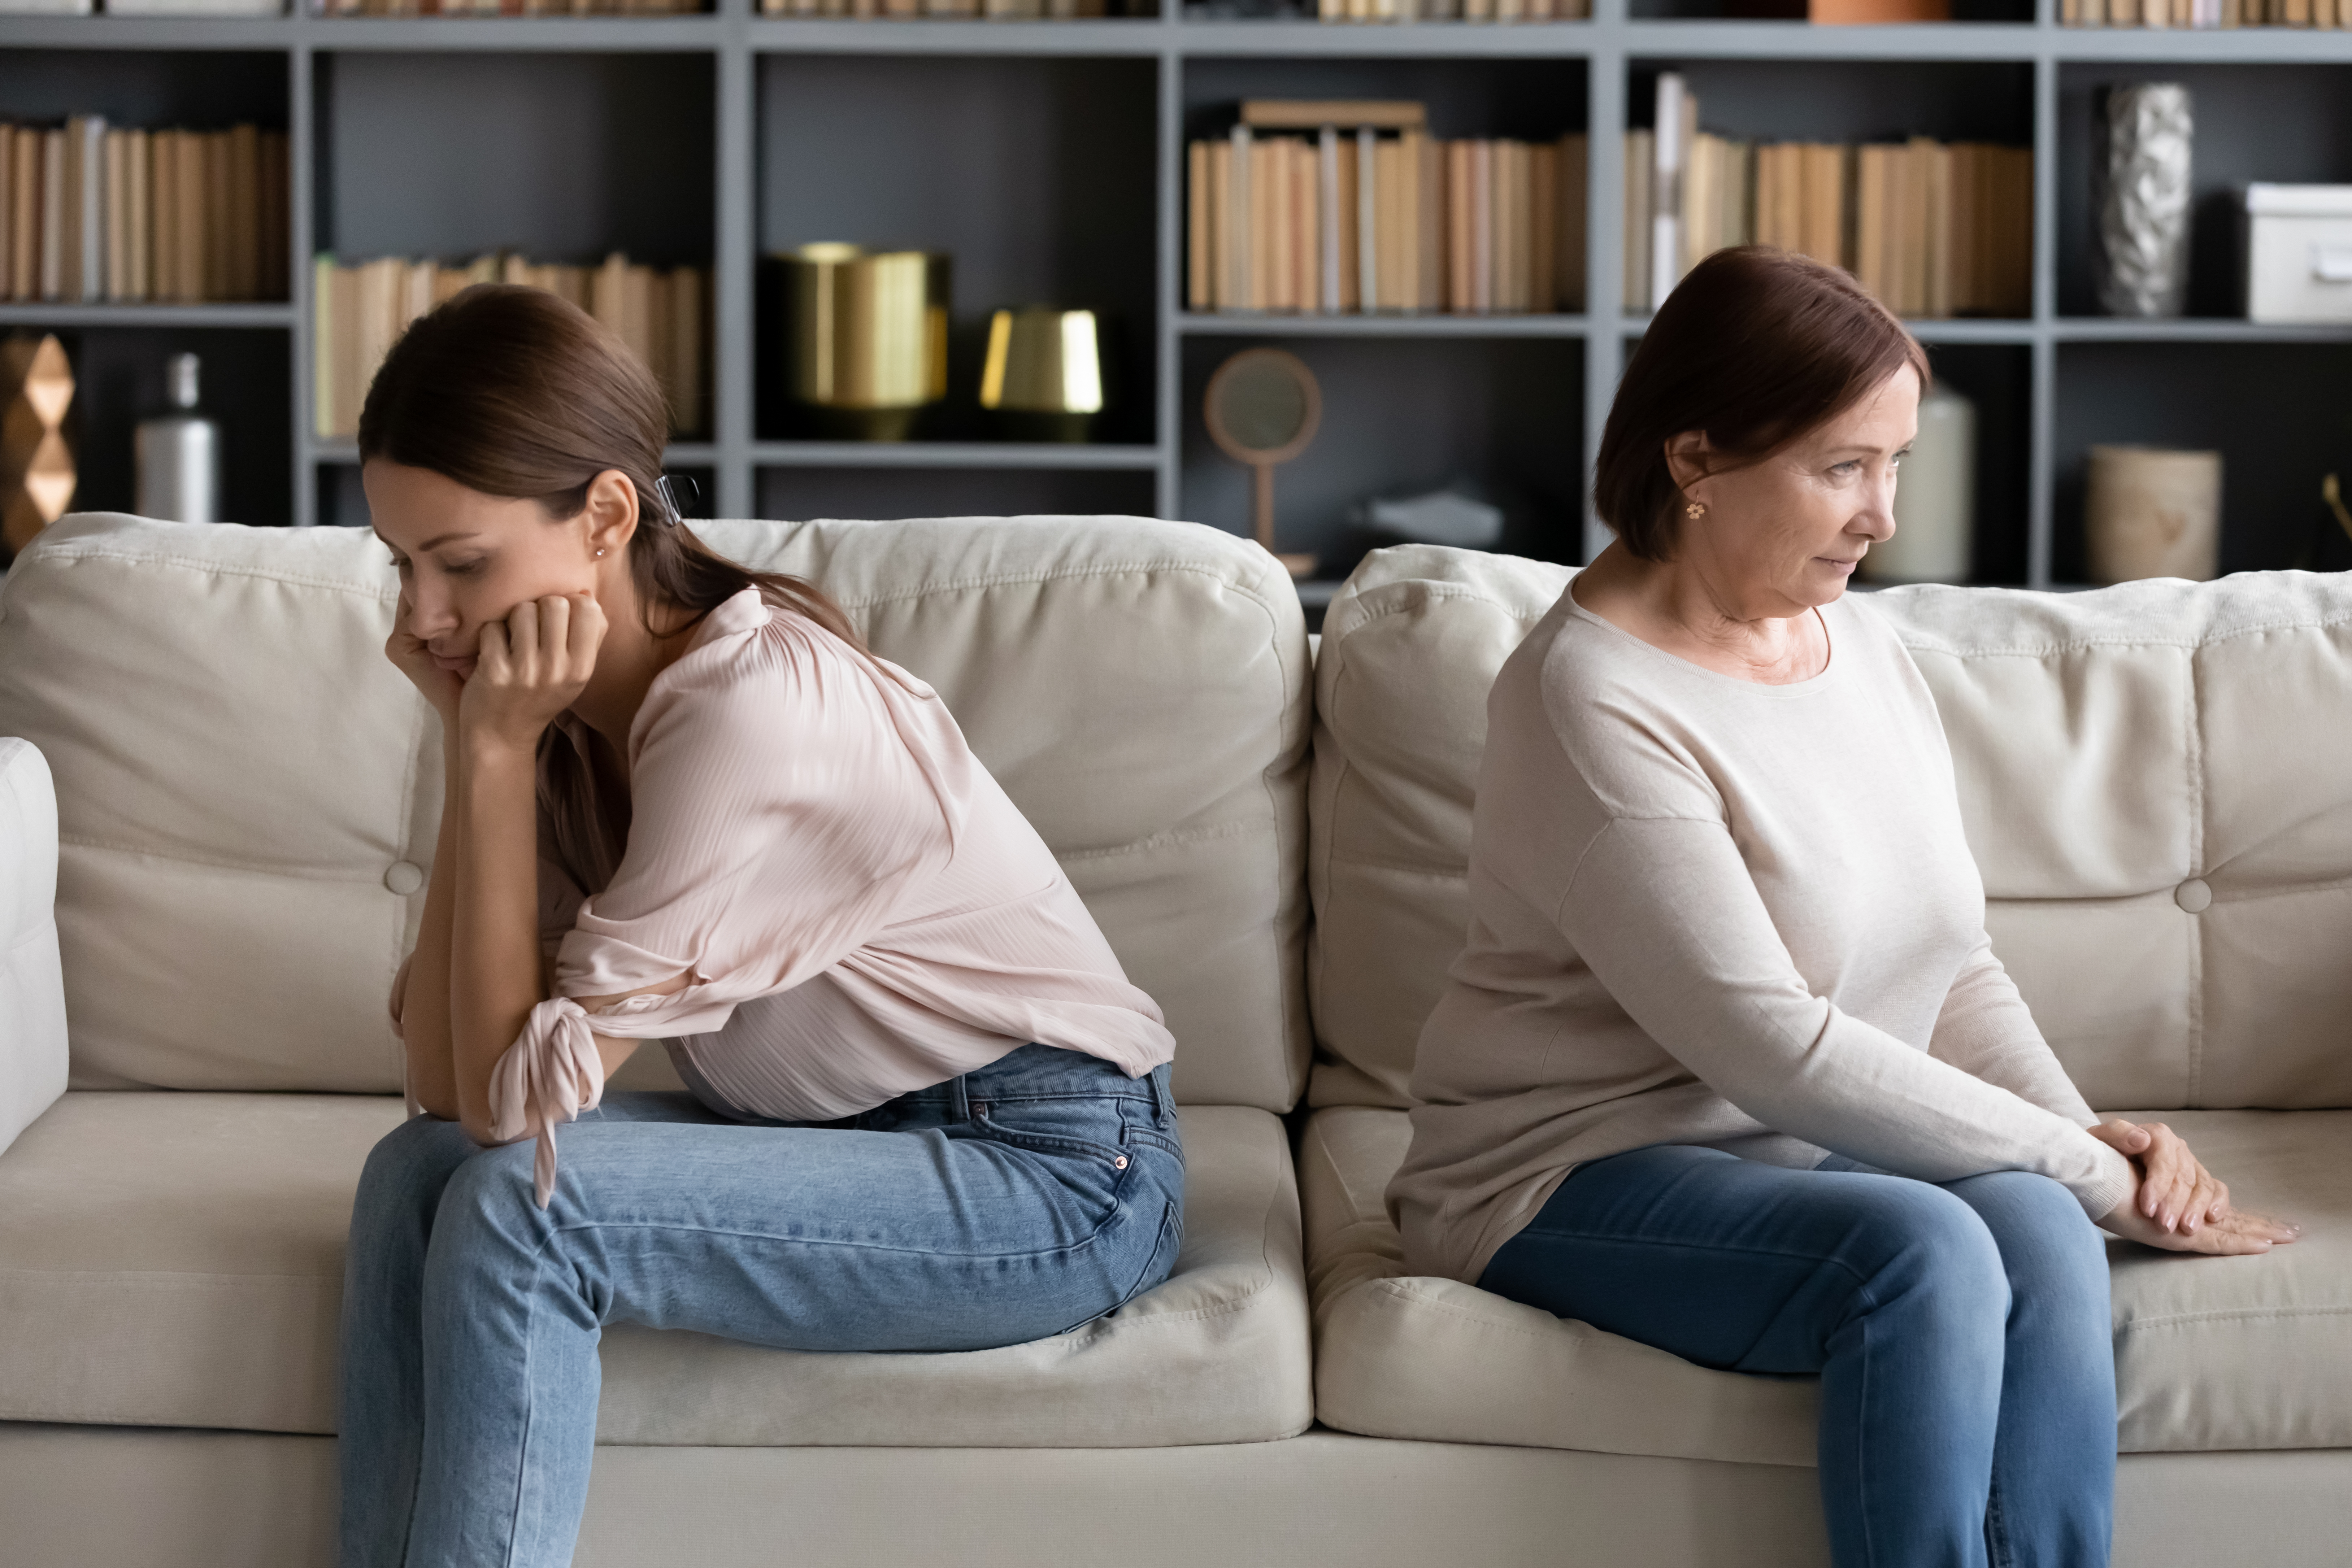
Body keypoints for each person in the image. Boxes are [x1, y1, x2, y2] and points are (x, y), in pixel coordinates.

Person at [1386, 247, 2296, 1568]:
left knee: (2038, 1224)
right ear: (1694, 459)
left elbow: (1953, 959)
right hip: (1559, 1172)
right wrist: (2098, 1171)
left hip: (1799, 1153)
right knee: (1921, 1250)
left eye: (1895, 465)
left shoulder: (1855, 640)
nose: (1880, 517)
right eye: (1841, 468)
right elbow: (1772, 1046)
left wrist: (2078, 1137)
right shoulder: (1590, 698)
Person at [340, 284, 1184, 1568]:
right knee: (415, 1177)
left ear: (606, 517)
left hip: (1055, 1173)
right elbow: (450, 1096)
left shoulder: (748, 711)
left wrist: (494, 751)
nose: (421, 620)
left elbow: (514, 1124)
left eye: (460, 564)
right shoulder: (563, 723)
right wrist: (478, 744)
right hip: (860, 1142)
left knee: (526, 1209)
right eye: (401, 566)